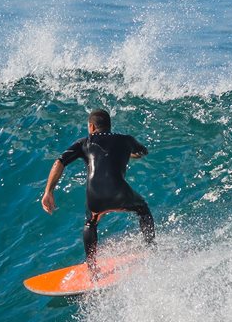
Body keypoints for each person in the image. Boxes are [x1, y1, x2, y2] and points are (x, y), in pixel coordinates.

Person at [40, 109, 155, 272]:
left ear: (92, 126)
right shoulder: (125, 140)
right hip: (119, 193)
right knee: (143, 209)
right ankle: (151, 249)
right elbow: (142, 152)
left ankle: (92, 268)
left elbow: (60, 162)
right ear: (109, 126)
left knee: (90, 223)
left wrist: (48, 191)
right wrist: (127, 153)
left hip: (96, 198)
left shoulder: (84, 142)